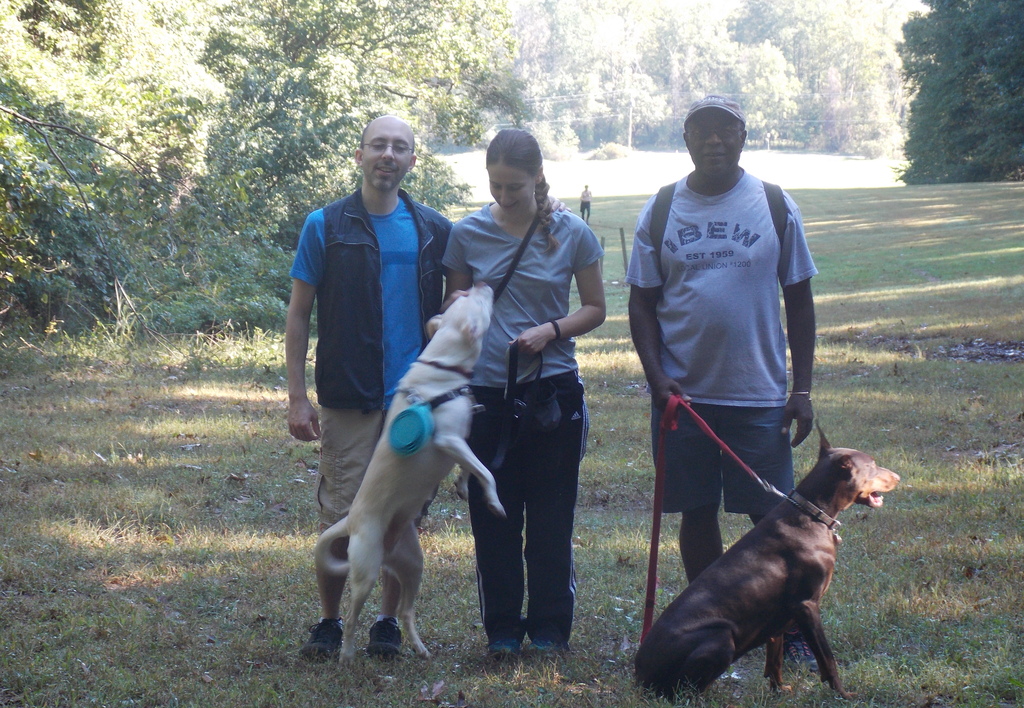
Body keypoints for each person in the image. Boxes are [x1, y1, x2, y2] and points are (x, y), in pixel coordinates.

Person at [626, 95, 819, 668]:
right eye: (702, 131)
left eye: (726, 131)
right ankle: (711, 617)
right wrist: (658, 380)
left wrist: (801, 388)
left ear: (743, 137)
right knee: (696, 512)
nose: (714, 141)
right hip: (683, 399)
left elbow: (800, 300)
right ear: (686, 140)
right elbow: (641, 304)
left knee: (776, 521)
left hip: (759, 393)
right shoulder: (662, 208)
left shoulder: (774, 204)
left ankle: (792, 629)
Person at [287, 115, 451, 661]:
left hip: (413, 400)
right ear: (359, 155)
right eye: (378, 145)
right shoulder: (326, 225)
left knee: (401, 513)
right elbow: (299, 313)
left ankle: (386, 622)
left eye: (399, 147)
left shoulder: (433, 229)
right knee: (343, 509)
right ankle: (330, 622)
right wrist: (296, 395)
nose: (388, 155)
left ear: (411, 161)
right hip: (349, 394)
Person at [443, 128, 606, 658]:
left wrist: (551, 331)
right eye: (495, 185)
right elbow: (454, 305)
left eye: (515, 186)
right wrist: (453, 320)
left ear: (538, 177)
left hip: (552, 393)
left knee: (552, 518)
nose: (504, 197)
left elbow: (594, 309)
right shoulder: (466, 233)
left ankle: (550, 630)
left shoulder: (572, 231)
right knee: (494, 516)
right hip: (485, 394)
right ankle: (503, 631)